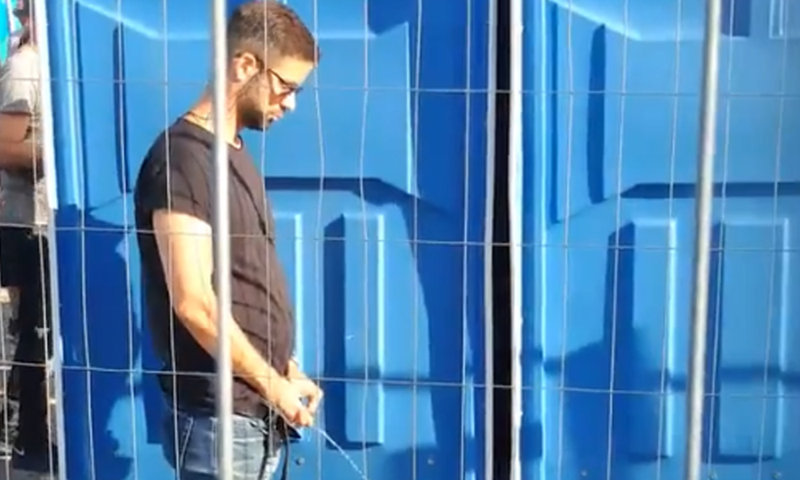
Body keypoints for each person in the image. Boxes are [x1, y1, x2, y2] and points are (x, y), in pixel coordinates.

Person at [134, 1, 322, 478]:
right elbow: (194, 301)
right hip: (220, 418)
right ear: (244, 65)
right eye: (286, 87)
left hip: (250, 408)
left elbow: (243, 281)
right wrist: (271, 385)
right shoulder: (183, 160)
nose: (291, 103)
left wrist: (284, 370)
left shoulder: (232, 152)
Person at [0, 0, 55, 472]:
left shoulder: (48, 65)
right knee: (34, 336)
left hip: (43, 222)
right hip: (26, 224)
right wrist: (61, 154)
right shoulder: (25, 66)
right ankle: (28, 443)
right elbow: (6, 146)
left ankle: (32, 436)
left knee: (41, 335)